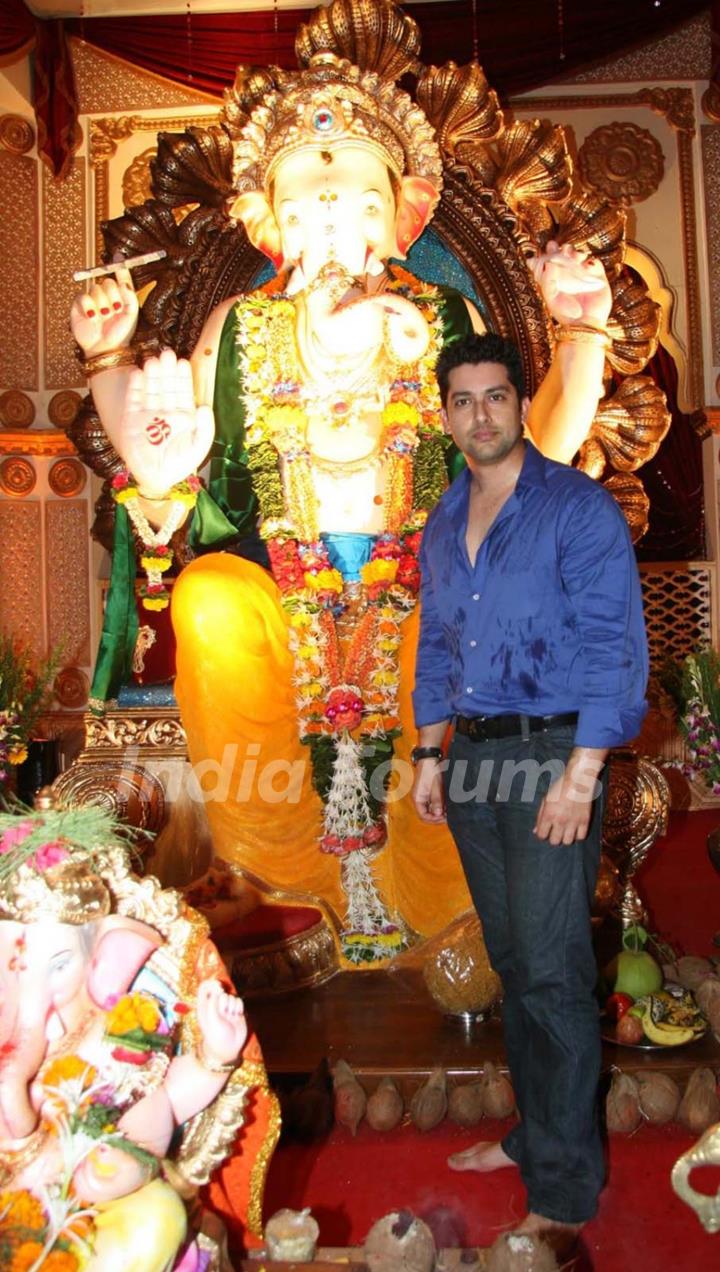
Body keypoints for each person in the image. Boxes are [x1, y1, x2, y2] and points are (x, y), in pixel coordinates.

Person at [70, 50, 613, 966]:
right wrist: (111, 360)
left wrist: (583, 330)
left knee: (452, 636)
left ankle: (450, 908)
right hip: (280, 586)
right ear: (273, 223)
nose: (334, 218)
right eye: (309, 202)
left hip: (425, 583)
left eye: (358, 197)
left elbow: (534, 456)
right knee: (207, 600)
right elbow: (162, 463)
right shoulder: (238, 326)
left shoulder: (442, 319)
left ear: (396, 215)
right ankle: (282, 892)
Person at [411, 331, 648, 1245]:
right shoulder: (444, 517)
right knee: (515, 961)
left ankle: (564, 1185)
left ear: (519, 402)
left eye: (496, 396)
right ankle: (533, 1134)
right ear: (446, 415)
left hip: (551, 755)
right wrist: (431, 755)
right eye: (463, 399)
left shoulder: (575, 509)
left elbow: (613, 651)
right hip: (472, 760)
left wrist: (580, 777)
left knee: (549, 973)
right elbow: (437, 642)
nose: (481, 413)